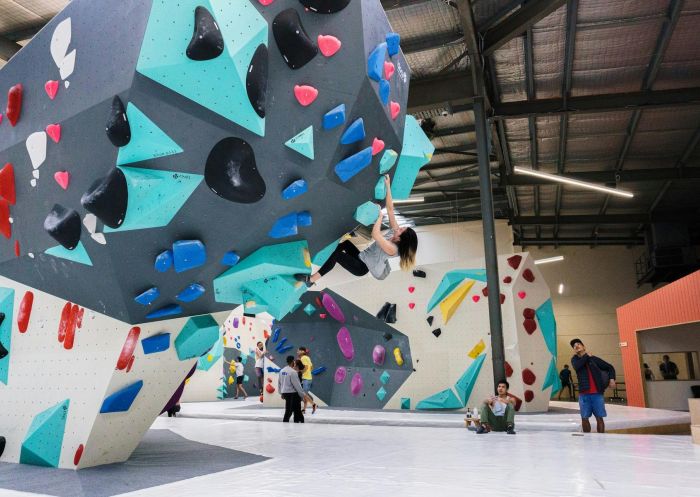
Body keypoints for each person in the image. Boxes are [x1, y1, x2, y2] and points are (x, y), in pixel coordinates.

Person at [295, 175, 417, 286]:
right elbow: (390, 209)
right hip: (361, 257)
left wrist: (380, 217)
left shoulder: (393, 249)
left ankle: (311, 280)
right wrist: (388, 186)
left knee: (337, 255)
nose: (399, 228)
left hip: (362, 267)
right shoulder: (394, 231)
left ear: (401, 238)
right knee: (344, 244)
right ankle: (319, 255)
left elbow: (375, 234)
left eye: (402, 230)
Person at [570, 338, 616, 433]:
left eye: (578, 344)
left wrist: (612, 379)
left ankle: (602, 439)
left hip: (597, 394)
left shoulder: (594, 359)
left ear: (584, 346)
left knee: (599, 418)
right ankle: (587, 441)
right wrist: (586, 355)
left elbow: (610, 367)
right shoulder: (575, 359)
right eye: (574, 346)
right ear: (574, 350)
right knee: (584, 418)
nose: (576, 346)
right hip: (584, 394)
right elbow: (577, 366)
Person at [279, 355, 306, 423]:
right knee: (292, 410)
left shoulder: (282, 371)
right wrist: (302, 395)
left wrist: (281, 392)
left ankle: (295, 421)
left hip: (285, 392)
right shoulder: (292, 372)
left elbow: (279, 383)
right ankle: (292, 422)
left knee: (292, 409)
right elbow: (297, 385)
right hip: (292, 394)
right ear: (292, 362)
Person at [297, 346, 317, 414]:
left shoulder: (303, 358)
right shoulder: (308, 358)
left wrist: (299, 372)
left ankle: (313, 404)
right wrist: (308, 372)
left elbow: (306, 367)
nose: (297, 352)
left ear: (303, 351)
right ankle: (304, 409)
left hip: (305, 379)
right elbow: (311, 367)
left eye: (298, 351)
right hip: (309, 378)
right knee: (305, 395)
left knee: (304, 394)